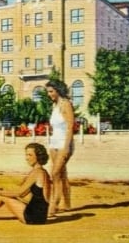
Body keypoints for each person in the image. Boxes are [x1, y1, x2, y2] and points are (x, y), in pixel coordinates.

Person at [45, 79, 75, 216]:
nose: (49, 94)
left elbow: (70, 127)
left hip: (64, 142)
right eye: (48, 92)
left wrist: (67, 147)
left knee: (55, 174)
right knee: (62, 174)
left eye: (51, 91)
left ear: (58, 90)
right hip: (54, 142)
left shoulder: (66, 104)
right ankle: (67, 204)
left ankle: (53, 205)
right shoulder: (54, 105)